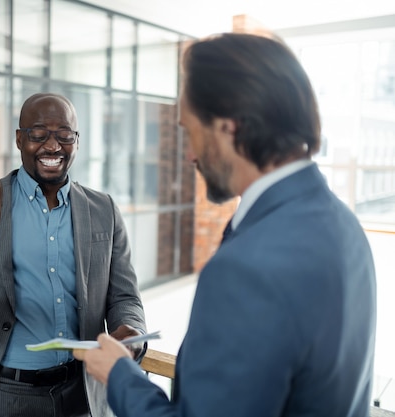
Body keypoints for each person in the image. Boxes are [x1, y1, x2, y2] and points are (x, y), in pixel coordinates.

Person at [74, 33, 377, 417]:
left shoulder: (246, 269)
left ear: (228, 126)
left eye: (190, 131)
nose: (189, 155)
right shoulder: (346, 226)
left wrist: (119, 375)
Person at [0, 92, 147, 417]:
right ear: (19, 139)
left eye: (64, 136)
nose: (52, 146)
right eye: (39, 135)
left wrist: (132, 330)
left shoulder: (104, 210)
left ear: (77, 141)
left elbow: (125, 298)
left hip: (80, 396)